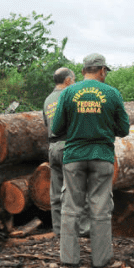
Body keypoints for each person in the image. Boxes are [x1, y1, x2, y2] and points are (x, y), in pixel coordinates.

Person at [51, 53, 130, 268]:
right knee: (101, 208)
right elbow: (124, 129)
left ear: (84, 69)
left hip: (74, 157)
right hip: (102, 157)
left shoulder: (68, 93)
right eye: (105, 71)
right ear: (102, 70)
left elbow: (55, 128)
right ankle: (101, 260)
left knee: (70, 208)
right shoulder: (112, 94)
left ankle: (68, 259)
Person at [43, 67, 90, 242]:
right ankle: (84, 231)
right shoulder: (71, 96)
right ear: (68, 80)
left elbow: (46, 125)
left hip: (53, 147)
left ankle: (59, 230)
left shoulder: (48, 100)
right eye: (74, 79)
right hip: (70, 145)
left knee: (56, 193)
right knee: (79, 189)